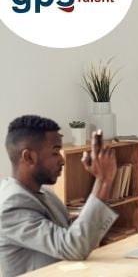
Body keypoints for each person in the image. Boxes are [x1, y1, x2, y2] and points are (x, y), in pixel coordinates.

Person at [0, 115, 118, 277]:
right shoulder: (11, 206)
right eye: (56, 152)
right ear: (28, 157)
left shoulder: (46, 195)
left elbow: (74, 237)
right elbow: (73, 247)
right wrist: (103, 180)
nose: (62, 160)